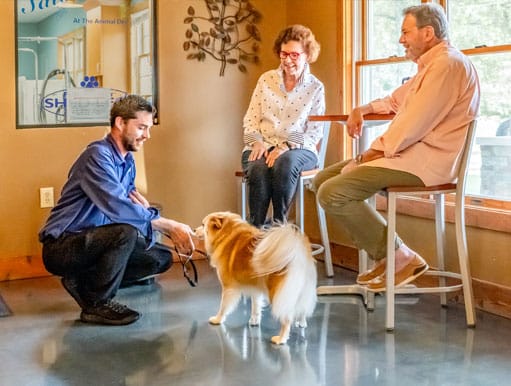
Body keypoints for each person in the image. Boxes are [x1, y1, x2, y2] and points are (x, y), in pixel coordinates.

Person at [313, 3, 480, 291]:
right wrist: (362, 108)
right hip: (406, 157)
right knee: (321, 180)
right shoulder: (431, 66)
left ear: (428, 33)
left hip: (426, 164)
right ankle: (390, 256)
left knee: (333, 192)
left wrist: (365, 157)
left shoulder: (447, 66)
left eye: (406, 32)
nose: (401, 39)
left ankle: (400, 256)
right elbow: (395, 101)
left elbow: (409, 127)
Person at [39, 95, 195, 325]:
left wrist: (143, 210)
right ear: (120, 123)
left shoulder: (127, 162)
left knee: (159, 258)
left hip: (96, 241)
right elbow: (118, 206)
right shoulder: (97, 156)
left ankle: (84, 281)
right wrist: (168, 225)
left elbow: (130, 204)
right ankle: (96, 304)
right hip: (63, 246)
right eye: (141, 127)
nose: (147, 135)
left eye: (148, 128)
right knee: (125, 233)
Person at [242, 24, 325, 227]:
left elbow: (314, 133)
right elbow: (250, 120)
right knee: (258, 168)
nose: (288, 60)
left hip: (300, 150)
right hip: (263, 144)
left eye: (294, 55)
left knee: (284, 163)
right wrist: (258, 143)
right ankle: (257, 232)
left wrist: (286, 146)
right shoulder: (266, 80)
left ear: (307, 54)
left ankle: (280, 228)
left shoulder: (315, 87)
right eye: (283, 54)